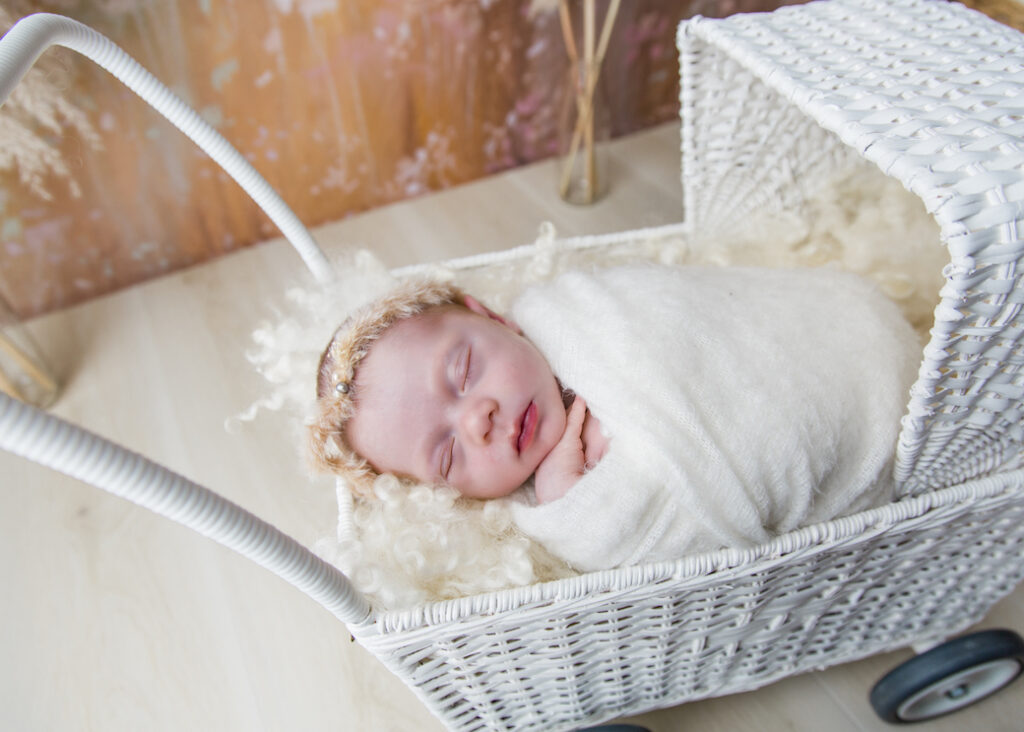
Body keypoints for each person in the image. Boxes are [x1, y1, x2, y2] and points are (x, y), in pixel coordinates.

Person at [309, 264, 919, 572]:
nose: (479, 420)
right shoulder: (551, 508)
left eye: (465, 371)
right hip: (861, 419)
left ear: (490, 315)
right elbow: (646, 544)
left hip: (833, 333)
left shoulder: (573, 308)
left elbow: (687, 310)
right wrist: (577, 503)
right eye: (448, 455)